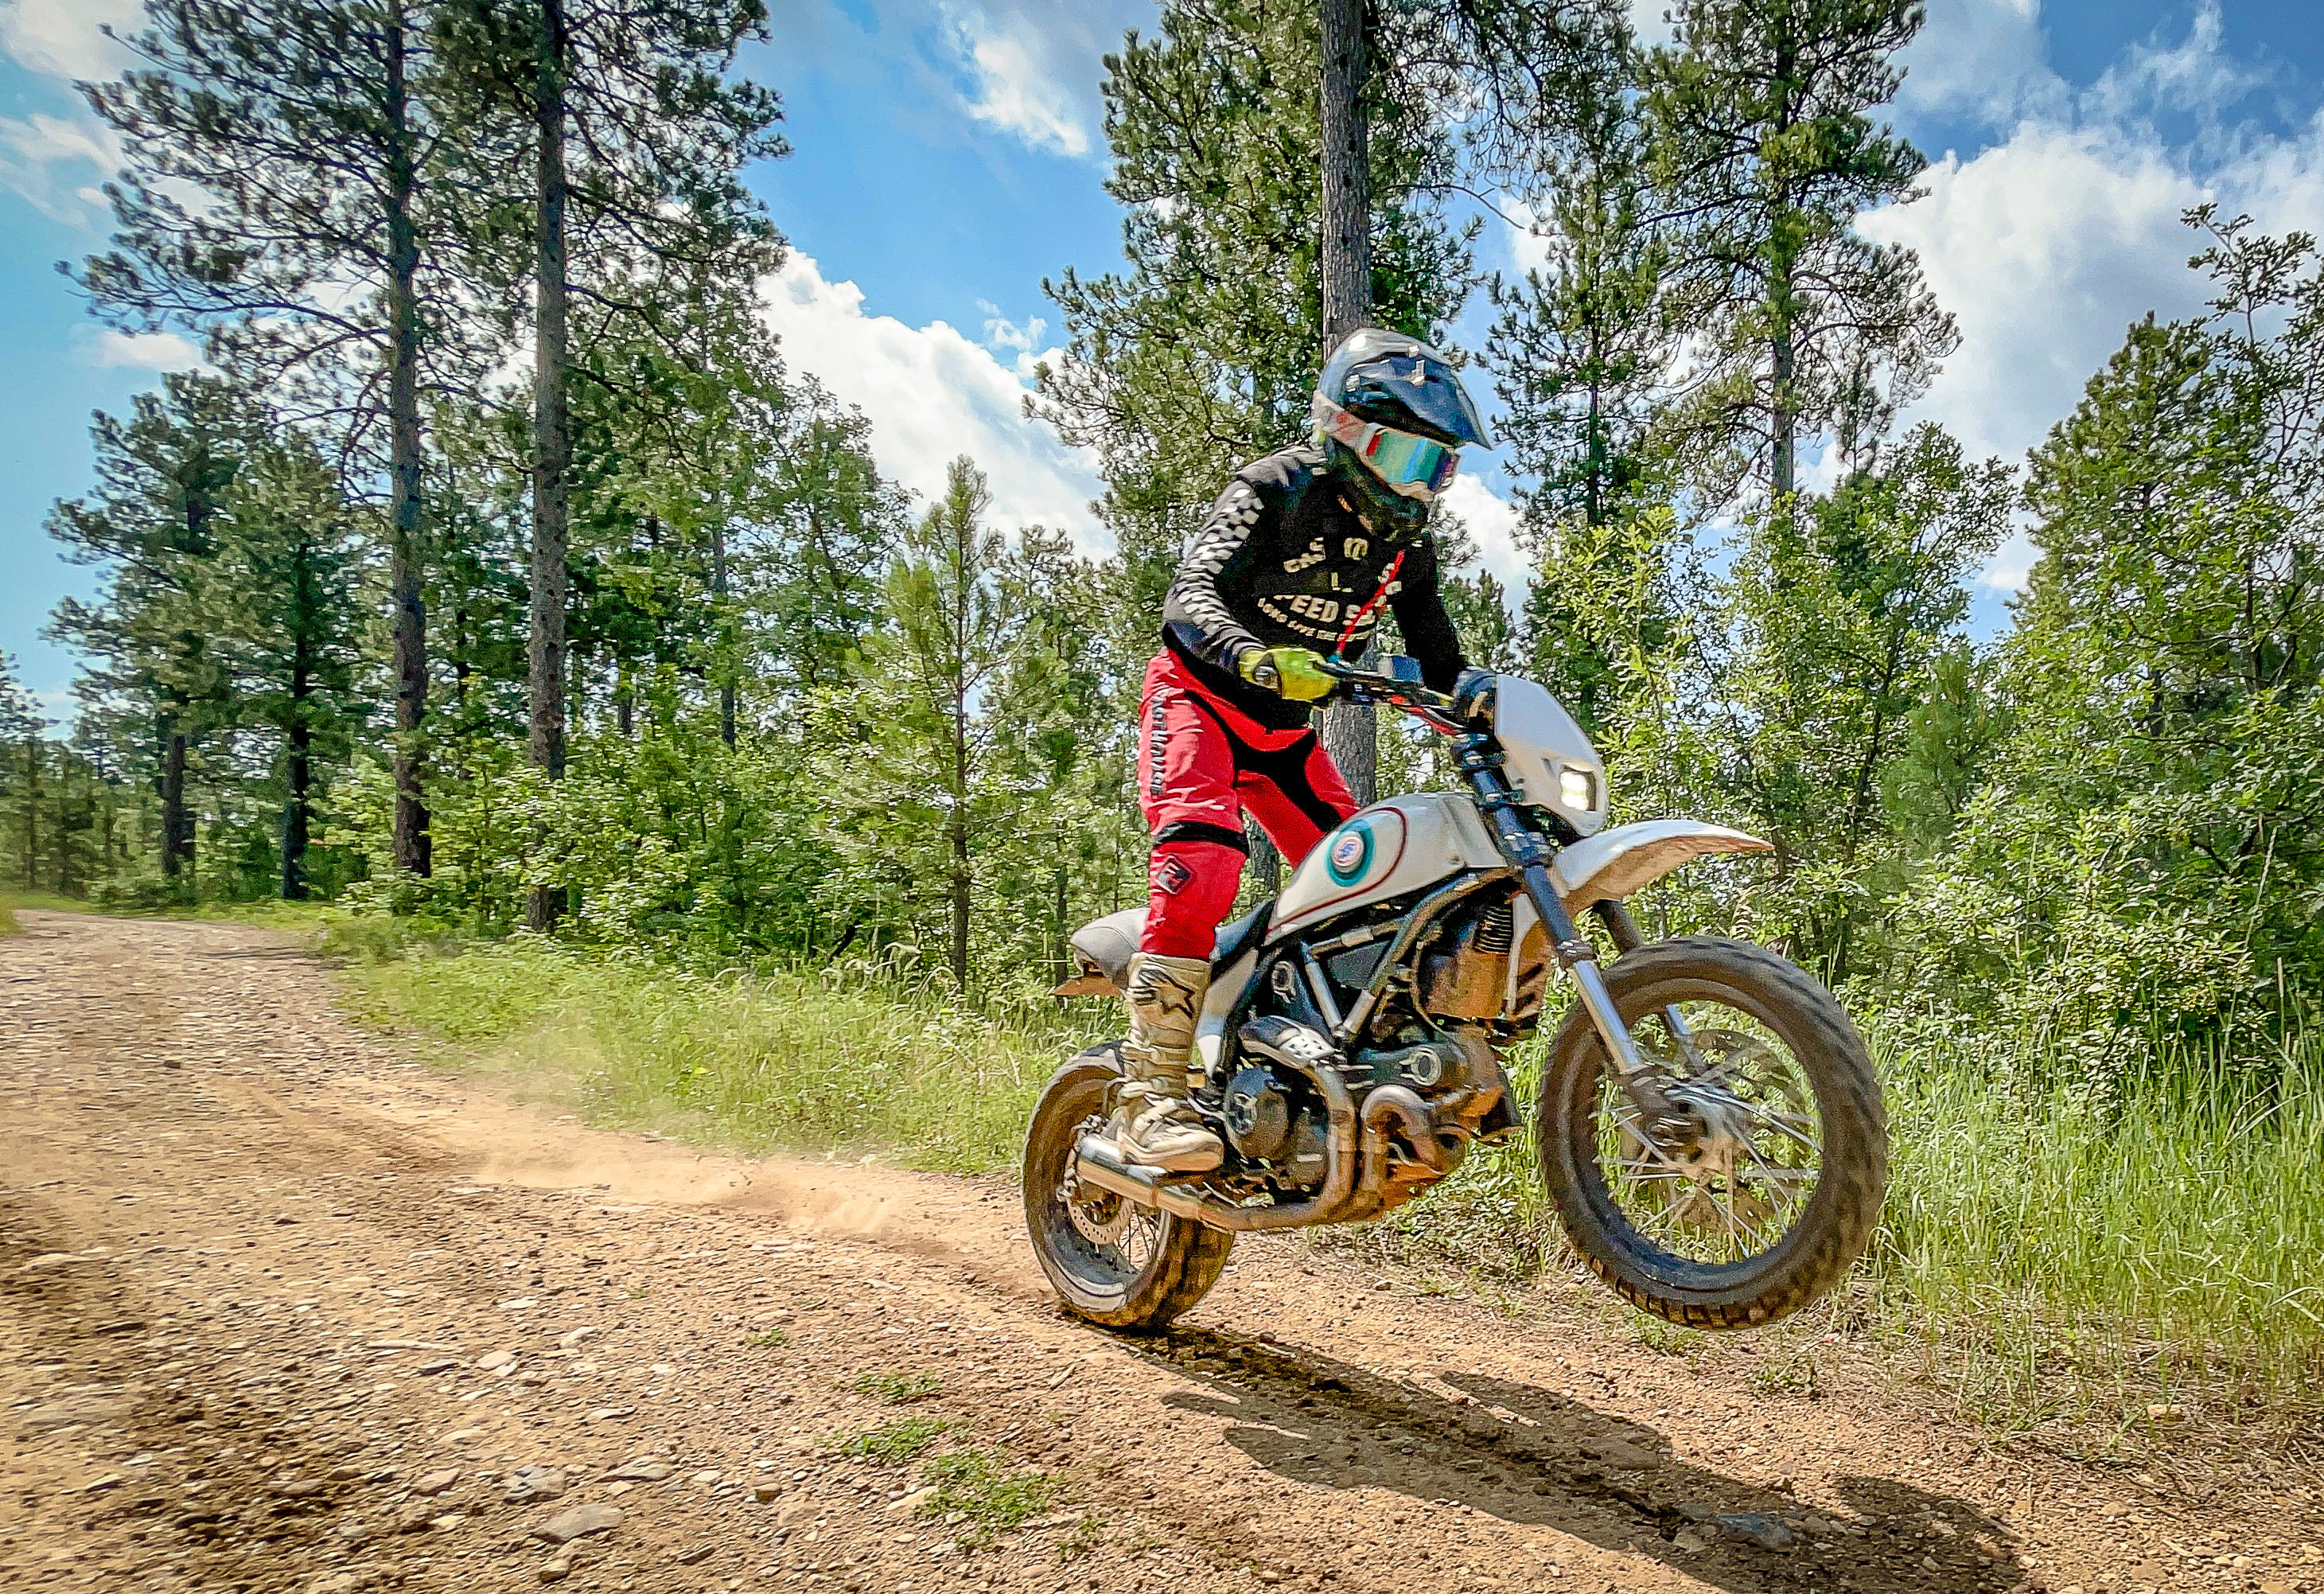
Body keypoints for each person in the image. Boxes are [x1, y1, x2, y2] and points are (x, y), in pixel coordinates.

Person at [1117, 326, 1493, 1171]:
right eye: (1403, 456)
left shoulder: (1407, 547)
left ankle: (1311, 1067)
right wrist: (1250, 655)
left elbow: (1438, 656)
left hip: (1281, 734)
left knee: (1367, 881)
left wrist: (1478, 708)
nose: (1416, 485)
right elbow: (1188, 596)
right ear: (1345, 431)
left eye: (1435, 467)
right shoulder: (1272, 486)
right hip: (1198, 699)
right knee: (1204, 854)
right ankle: (1151, 1093)